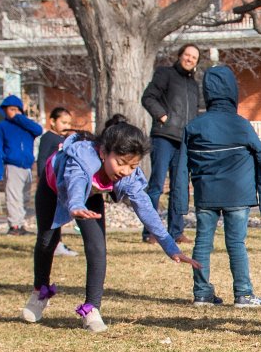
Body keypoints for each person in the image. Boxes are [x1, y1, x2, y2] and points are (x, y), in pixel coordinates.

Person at [22, 115, 201, 332]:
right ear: (103, 152)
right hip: (54, 189)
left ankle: (91, 308)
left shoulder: (128, 175)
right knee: (47, 241)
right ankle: (40, 291)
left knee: (97, 247)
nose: (125, 171)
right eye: (121, 163)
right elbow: (76, 183)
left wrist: (170, 246)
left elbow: (145, 209)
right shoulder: (82, 159)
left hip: (90, 196)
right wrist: (75, 204)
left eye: (132, 165)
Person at [185, 66, 261, 308]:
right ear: (233, 91)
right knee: (236, 244)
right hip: (238, 193)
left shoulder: (194, 126)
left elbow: (181, 164)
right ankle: (243, 293)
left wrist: (181, 203)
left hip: (205, 193)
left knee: (202, 242)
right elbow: (260, 157)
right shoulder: (240, 125)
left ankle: (201, 293)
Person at [141, 43, 204, 244]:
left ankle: (176, 232)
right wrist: (163, 117)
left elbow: (194, 111)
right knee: (156, 185)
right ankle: (150, 232)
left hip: (184, 142)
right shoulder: (165, 74)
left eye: (194, 57)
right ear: (179, 56)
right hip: (163, 137)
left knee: (180, 188)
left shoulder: (194, 85)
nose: (190, 59)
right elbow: (148, 97)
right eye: (187, 55)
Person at [0, 95, 44, 235]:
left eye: (16, 109)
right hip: (12, 165)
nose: (14, 112)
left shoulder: (26, 126)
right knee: (14, 196)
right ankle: (14, 226)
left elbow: (38, 130)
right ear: (5, 110)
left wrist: (20, 118)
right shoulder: (1, 127)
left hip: (27, 165)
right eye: (11, 109)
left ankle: (20, 224)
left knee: (25, 196)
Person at [37, 107, 78, 257]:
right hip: (49, 184)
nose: (67, 126)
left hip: (60, 185)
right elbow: (42, 159)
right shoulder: (48, 138)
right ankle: (53, 245)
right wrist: (43, 178)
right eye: (63, 122)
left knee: (58, 216)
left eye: (69, 123)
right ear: (52, 121)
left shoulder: (65, 140)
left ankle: (57, 244)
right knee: (49, 220)